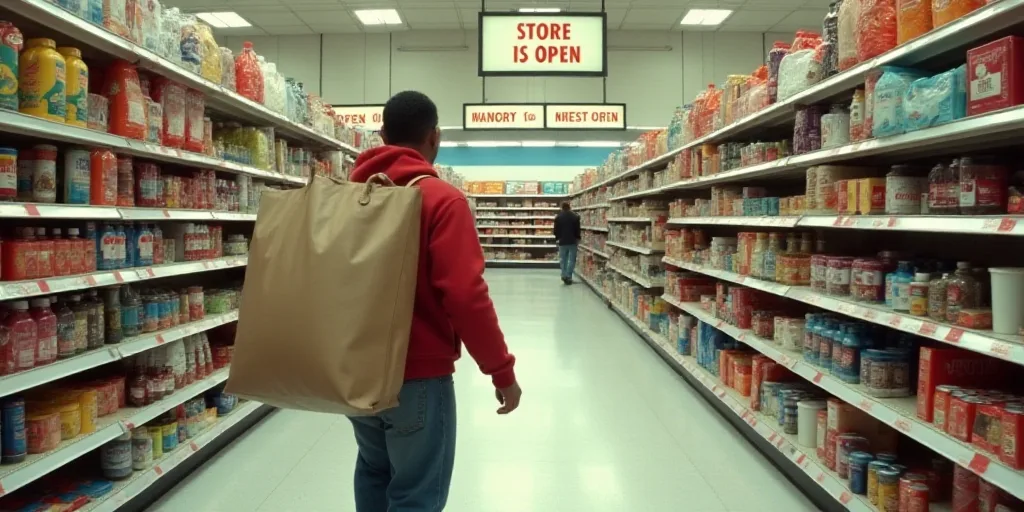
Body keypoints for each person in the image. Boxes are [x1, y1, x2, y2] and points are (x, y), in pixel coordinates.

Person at [346, 91, 522, 511]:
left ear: (383, 135)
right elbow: (465, 295)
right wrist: (501, 372)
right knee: (416, 493)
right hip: (418, 376)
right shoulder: (442, 199)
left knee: (373, 472)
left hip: (355, 370)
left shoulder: (348, 198)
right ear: (435, 136)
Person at [553, 201, 581, 285]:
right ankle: (569, 276)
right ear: (569, 207)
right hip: (572, 241)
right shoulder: (575, 217)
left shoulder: (558, 217)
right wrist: (578, 238)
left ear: (562, 207)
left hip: (562, 241)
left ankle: (563, 274)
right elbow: (577, 229)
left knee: (563, 259)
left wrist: (557, 238)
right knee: (571, 260)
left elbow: (555, 230)